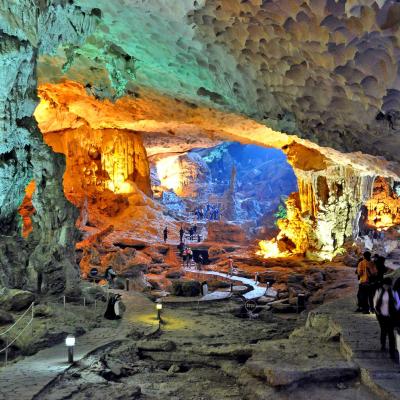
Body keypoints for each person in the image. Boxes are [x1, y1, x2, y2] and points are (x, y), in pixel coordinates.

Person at [373, 277, 400, 360]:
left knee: (391, 333)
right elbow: (375, 301)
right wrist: (377, 312)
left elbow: (398, 302)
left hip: (390, 316)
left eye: (387, 285)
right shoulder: (379, 291)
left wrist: (394, 310)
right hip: (381, 315)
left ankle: (392, 352)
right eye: (385, 285)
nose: (386, 287)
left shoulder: (393, 292)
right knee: (383, 330)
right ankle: (383, 344)